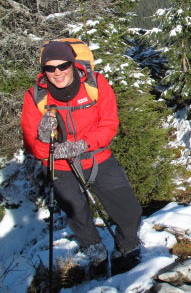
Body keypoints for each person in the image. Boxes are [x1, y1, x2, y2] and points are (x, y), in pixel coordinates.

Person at [21, 40, 142, 276]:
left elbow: (109, 125)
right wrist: (51, 146)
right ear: (43, 70)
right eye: (50, 68)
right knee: (77, 214)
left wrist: (82, 144)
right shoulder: (35, 97)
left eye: (63, 65)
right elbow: (32, 145)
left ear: (73, 63)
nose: (57, 73)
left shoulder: (96, 85)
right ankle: (95, 251)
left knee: (129, 212)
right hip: (60, 166)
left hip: (98, 158)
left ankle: (127, 248)